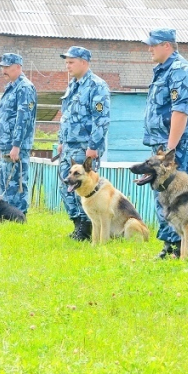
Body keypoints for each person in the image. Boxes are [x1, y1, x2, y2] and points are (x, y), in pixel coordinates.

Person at [140, 28, 188, 258]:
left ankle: (181, 247)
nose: (150, 49)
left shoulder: (180, 70)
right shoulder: (163, 71)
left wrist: (170, 151)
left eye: (153, 45)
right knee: (163, 195)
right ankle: (170, 246)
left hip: (177, 148)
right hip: (161, 146)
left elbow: (180, 111)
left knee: (180, 198)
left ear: (167, 45)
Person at [57, 46, 111, 241]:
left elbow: (101, 118)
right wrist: (60, 141)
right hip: (69, 146)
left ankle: (87, 227)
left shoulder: (97, 85)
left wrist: (93, 146)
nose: (67, 66)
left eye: (71, 62)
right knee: (66, 185)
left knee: (84, 186)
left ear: (84, 62)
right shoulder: (73, 85)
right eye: (66, 62)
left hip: (85, 147)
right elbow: (66, 116)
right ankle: (78, 223)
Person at [0, 53, 38, 214]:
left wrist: (16, 145)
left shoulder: (25, 88)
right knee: (5, 184)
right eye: (3, 67)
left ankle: (19, 216)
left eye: (7, 67)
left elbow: (23, 119)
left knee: (16, 183)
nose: (3, 71)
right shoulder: (11, 87)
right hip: (5, 143)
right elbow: (4, 117)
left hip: (16, 146)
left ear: (18, 67)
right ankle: (7, 215)